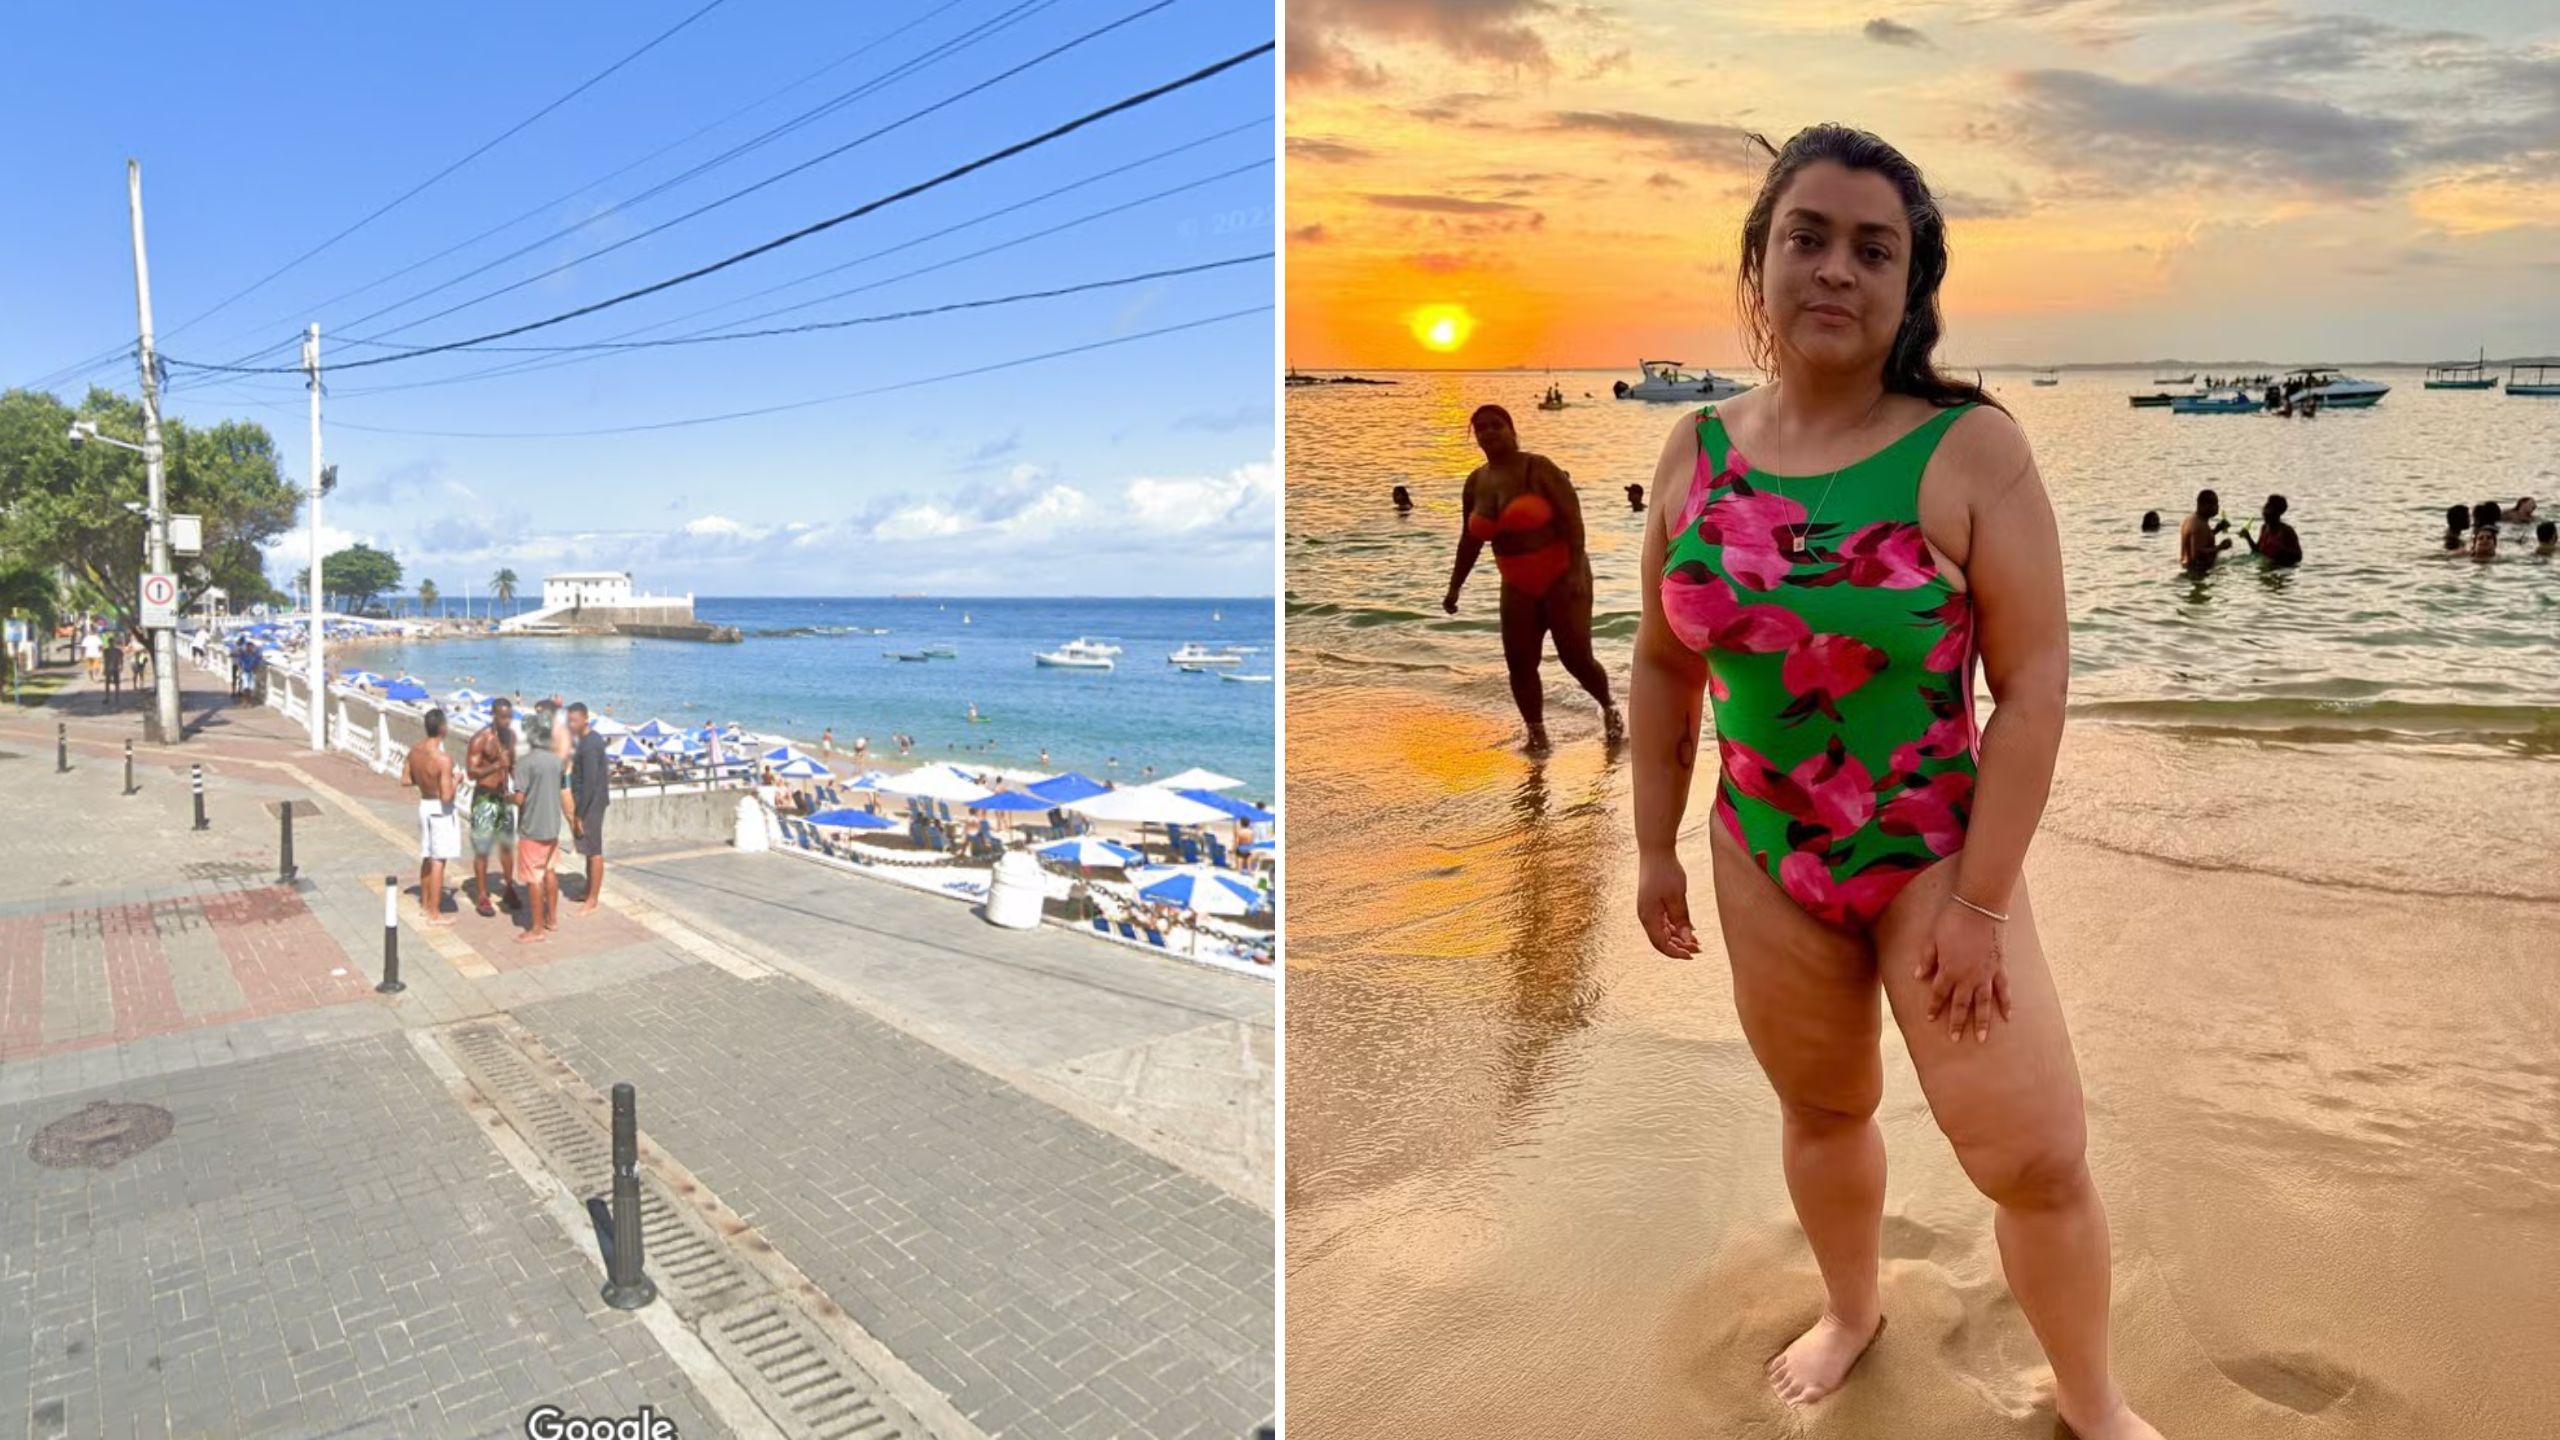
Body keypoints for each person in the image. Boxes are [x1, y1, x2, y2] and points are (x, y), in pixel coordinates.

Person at [1629, 124, 2159, 1437]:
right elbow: (1657, 663)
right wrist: (1651, 848)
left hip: (1935, 853)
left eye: (1875, 248)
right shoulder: (1694, 453)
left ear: (1912, 283)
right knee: (1824, 1108)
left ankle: (2095, 1406)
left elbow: (2032, 688)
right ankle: (1853, 1306)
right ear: (1761, 258)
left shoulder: (1972, 447)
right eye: (1806, 235)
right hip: (1763, 848)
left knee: (2031, 1160)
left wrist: (1983, 903)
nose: (1836, 269)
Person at [1444, 403, 1623, 751]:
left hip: (1562, 576)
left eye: (1496, 425)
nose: (1489, 432)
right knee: (1520, 663)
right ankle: (1536, 734)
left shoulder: (1538, 469)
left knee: (1576, 658)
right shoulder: (1475, 482)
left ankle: (1609, 707)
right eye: (1481, 428)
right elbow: (1469, 539)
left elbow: (1573, 519)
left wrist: (1574, 573)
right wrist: (1455, 587)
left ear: (1512, 429)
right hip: (1516, 584)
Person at [512, 708, 572, 944]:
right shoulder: (556, 762)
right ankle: (552, 918)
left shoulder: (525, 764)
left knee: (533, 878)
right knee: (550, 872)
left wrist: (509, 798)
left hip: (532, 829)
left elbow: (520, 799)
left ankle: (536, 928)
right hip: (552, 827)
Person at [401, 708, 459, 927]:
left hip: (424, 804)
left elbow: (406, 780)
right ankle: (434, 912)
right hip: (439, 810)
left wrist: (425, 780)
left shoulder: (415, 752)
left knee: (427, 855)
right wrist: (456, 781)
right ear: (443, 728)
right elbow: (447, 796)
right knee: (438, 860)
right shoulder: (443, 759)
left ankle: (426, 904)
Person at [465, 696, 521, 916]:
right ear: (494, 716)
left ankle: (509, 887)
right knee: (482, 848)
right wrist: (497, 765)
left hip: (504, 798)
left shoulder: (512, 737)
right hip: (485, 799)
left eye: (510, 717)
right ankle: (481, 895)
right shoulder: (480, 739)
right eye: (503, 717)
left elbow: (514, 767)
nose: (507, 721)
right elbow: (471, 773)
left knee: (507, 847)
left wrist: (522, 788)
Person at [567, 703, 612, 913]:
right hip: (586, 803)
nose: (571, 724)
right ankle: (588, 890)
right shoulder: (584, 742)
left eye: (574, 720)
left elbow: (590, 782)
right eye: (569, 720)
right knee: (587, 848)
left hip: (591, 804)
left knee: (594, 850)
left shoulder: (591, 744)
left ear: (585, 719)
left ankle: (593, 898)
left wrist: (579, 814)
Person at [2239, 494, 2302, 568]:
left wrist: (2282, 552)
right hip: (2264, 568)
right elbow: (2257, 552)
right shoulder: (2264, 528)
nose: (2265, 512)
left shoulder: (2286, 530)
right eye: (2265, 509)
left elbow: (2298, 556)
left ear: (2278, 513)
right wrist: (2248, 537)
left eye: (2269, 510)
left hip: (2279, 570)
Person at [2179, 489, 2233, 573]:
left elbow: (2200, 540)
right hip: (2197, 573)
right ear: (2204, 505)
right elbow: (2197, 553)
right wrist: (2220, 547)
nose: (2217, 506)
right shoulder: (2199, 524)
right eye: (2214, 503)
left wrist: (2216, 530)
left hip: (2189, 569)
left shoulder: (2192, 519)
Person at [101, 632, 122, 703]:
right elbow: (104, 660)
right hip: (108, 668)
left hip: (115, 668)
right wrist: (104, 669)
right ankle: (107, 697)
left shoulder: (118, 651)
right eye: (110, 643)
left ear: (114, 643)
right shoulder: (106, 651)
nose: (111, 644)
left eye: (112, 642)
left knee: (117, 683)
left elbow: (121, 659)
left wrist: (120, 666)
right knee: (107, 683)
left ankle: (117, 697)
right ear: (109, 643)